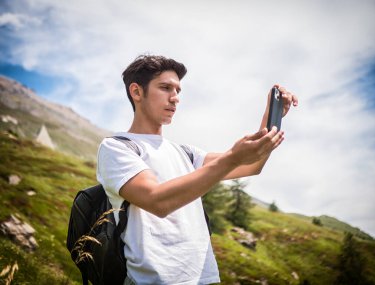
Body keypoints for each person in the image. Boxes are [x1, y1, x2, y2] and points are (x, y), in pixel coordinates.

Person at [96, 55, 298, 285]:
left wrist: (272, 118)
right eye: (165, 88)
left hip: (202, 279)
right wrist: (232, 157)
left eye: (178, 91)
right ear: (136, 92)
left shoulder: (186, 153)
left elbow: (250, 165)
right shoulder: (117, 147)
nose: (175, 98)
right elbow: (156, 201)